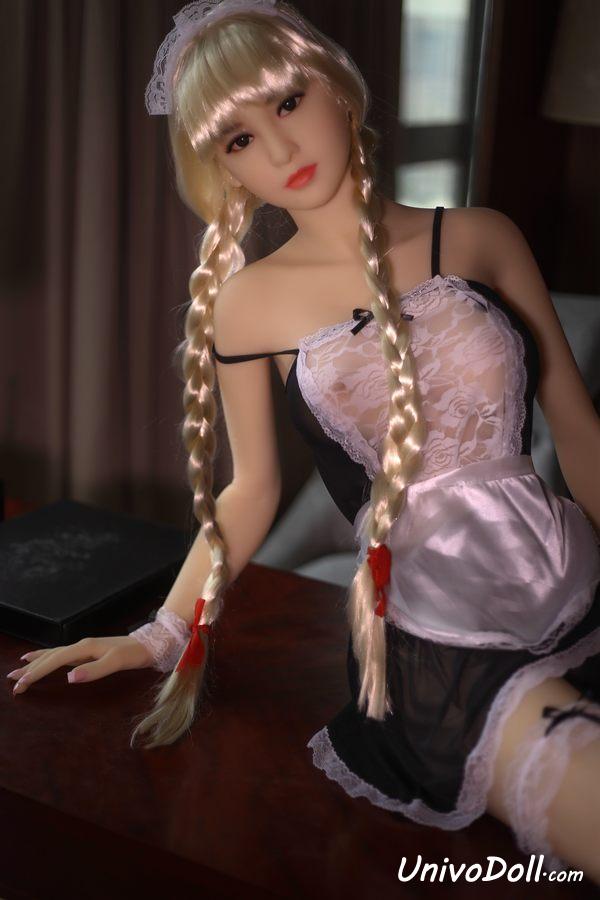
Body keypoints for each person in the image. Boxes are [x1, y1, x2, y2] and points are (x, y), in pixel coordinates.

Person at [7, 0, 600, 881]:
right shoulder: (248, 305)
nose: (281, 149)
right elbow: (250, 490)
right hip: (429, 626)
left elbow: (578, 428)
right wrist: (162, 635)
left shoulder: (479, 236)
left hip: (576, 579)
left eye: (288, 101)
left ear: (339, 88)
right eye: (240, 138)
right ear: (221, 167)